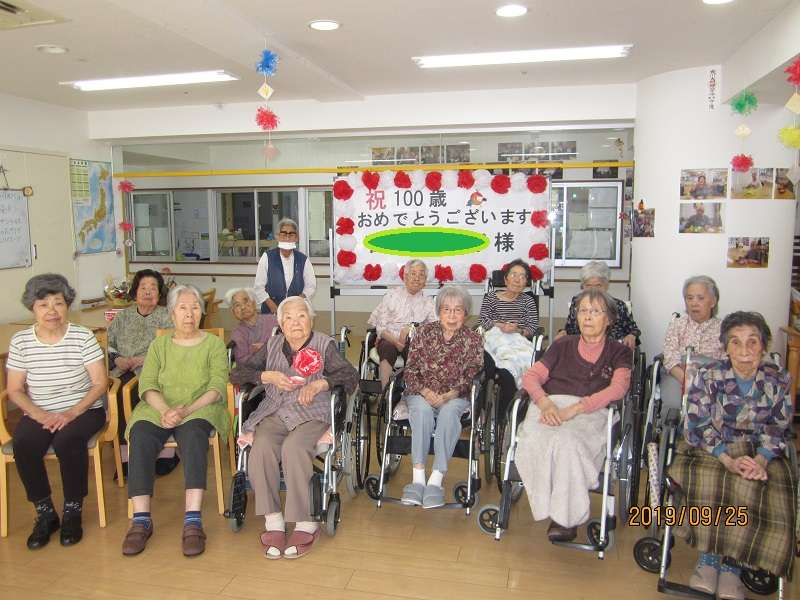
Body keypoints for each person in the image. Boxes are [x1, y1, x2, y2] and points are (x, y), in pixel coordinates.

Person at [674, 312, 794, 600]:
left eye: (752, 342)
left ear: (763, 346)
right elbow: (696, 424)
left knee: (760, 485)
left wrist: (761, 460)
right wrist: (727, 458)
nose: (744, 351)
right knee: (713, 481)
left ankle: (734, 563)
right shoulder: (709, 375)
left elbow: (779, 427)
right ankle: (709, 558)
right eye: (735, 342)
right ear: (725, 348)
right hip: (712, 448)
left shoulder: (778, 379)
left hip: (759, 450)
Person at [236, 297, 358, 559]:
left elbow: (350, 375)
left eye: (301, 316)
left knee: (294, 448)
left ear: (311, 319)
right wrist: (265, 376)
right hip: (275, 410)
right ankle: (273, 520)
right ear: (280, 323)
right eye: (289, 318)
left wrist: (320, 384)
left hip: (312, 412)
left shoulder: (324, 344)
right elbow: (238, 373)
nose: (295, 323)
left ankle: (305, 522)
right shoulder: (272, 344)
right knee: (261, 447)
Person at [121, 285, 229, 557]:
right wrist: (166, 410)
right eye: (183, 308)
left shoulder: (214, 344)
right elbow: (147, 383)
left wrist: (186, 410)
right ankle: (141, 520)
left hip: (200, 407)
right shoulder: (159, 345)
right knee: (140, 435)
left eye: (195, 307)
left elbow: (217, 386)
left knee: (193, 436)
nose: (190, 314)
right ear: (171, 314)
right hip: (158, 406)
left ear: (202, 312)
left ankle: (193, 519)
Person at [518, 289, 632, 541]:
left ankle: (564, 517)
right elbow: (531, 376)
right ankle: (549, 503)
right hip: (549, 404)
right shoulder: (562, 345)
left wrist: (576, 409)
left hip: (591, 410)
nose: (587, 317)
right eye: (583, 311)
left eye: (595, 312)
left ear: (609, 319)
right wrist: (545, 403)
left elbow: (618, 389)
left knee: (568, 442)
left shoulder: (619, 352)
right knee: (537, 440)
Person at [7, 274, 108, 549]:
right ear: (32, 308)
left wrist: (71, 413)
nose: (52, 311)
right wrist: (39, 415)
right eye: (43, 305)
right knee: (24, 443)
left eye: (58, 303)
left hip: (84, 409)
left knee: (68, 440)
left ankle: (72, 510)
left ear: (67, 306)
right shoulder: (21, 341)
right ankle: (45, 513)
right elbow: (15, 389)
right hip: (40, 411)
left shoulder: (82, 336)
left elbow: (100, 384)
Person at [400, 286, 483, 509]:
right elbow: (410, 369)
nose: (452, 315)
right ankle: (418, 480)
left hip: (455, 395)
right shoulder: (424, 333)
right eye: (446, 309)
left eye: (458, 310)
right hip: (421, 392)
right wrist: (426, 391)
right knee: (421, 412)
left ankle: (436, 480)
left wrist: (450, 394)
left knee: (448, 414)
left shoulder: (473, 339)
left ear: (466, 313)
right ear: (439, 311)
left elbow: (472, 373)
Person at [106, 269, 174, 476]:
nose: (148, 292)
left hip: (156, 370)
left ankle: (164, 454)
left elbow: (172, 347)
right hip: (123, 370)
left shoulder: (167, 316)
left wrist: (144, 359)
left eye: (153, 288)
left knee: (147, 393)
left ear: (160, 293)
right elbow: (108, 344)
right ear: (135, 292)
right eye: (143, 287)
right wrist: (117, 358)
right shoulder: (123, 316)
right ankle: (127, 457)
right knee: (119, 394)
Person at [478, 258, 539, 417]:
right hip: (494, 338)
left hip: (518, 340)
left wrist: (517, 330)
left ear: (526, 282)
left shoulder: (528, 301)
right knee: (493, 359)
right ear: (505, 279)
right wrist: (500, 326)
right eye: (514, 275)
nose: (518, 279)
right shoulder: (491, 297)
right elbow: (483, 321)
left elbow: (532, 327)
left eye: (522, 276)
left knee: (515, 366)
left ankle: (509, 413)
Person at [367, 259, 437, 388]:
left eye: (421, 275)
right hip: (389, 338)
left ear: (425, 280)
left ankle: (410, 389)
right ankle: (385, 390)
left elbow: (434, 328)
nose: (417, 278)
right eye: (413, 274)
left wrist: (410, 334)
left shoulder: (428, 302)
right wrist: (397, 342)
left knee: (414, 348)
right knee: (387, 347)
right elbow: (381, 328)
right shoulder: (391, 296)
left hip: (413, 341)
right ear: (405, 277)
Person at [660, 275, 725, 412]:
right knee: (673, 407)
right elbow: (670, 357)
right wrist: (688, 380)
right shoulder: (677, 325)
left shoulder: (724, 328)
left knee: (716, 407)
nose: (694, 303)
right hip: (678, 375)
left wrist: (703, 383)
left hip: (711, 378)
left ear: (713, 302)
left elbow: (727, 362)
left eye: (700, 298)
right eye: (689, 298)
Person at [557, 261, 639, 349]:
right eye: (588, 285)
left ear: (606, 285)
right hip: (580, 349)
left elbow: (633, 329)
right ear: (582, 286)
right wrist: (563, 332)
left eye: (598, 285)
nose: (593, 290)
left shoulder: (618, 305)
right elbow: (570, 328)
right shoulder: (577, 303)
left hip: (612, 350)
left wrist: (631, 335)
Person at [253, 218, 316, 314]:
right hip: (271, 310)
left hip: (295, 310)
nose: (287, 238)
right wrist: (272, 306)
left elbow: (310, 286)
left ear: (296, 238)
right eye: (283, 234)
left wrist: (298, 301)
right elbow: (258, 287)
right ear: (277, 236)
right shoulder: (267, 257)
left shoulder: (303, 260)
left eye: (291, 234)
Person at [226, 287, 277, 364]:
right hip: (254, 370)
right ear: (233, 312)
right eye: (237, 305)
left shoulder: (274, 321)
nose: (243, 307)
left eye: (245, 301)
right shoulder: (237, 334)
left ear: (254, 303)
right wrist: (259, 353)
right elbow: (242, 362)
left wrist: (267, 348)